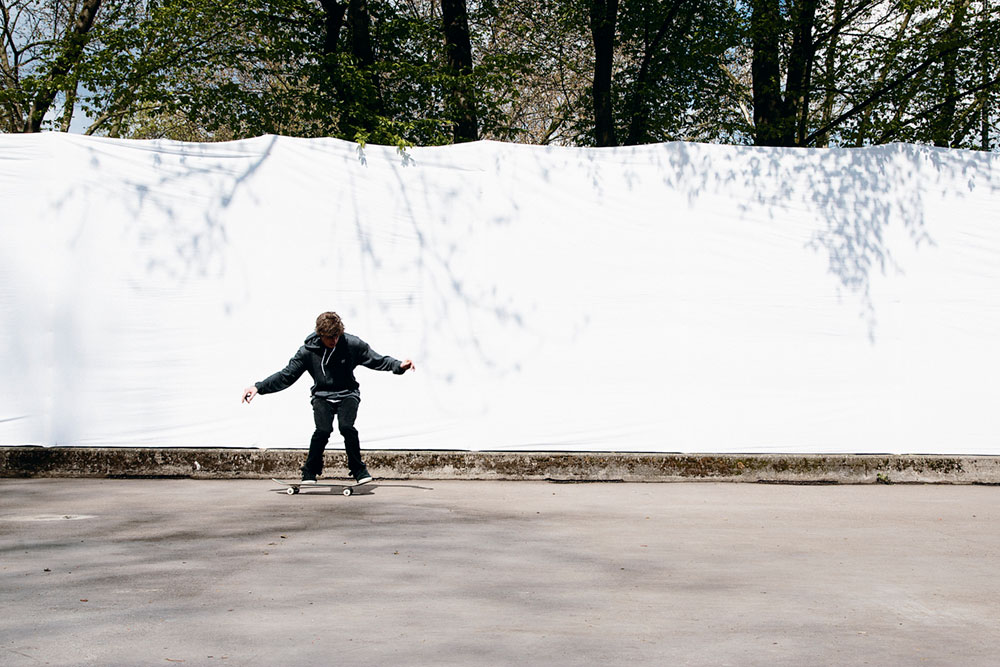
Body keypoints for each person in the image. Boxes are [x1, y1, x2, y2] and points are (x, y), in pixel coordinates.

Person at [242, 311, 415, 484]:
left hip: (348, 393)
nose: (334, 341)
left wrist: (398, 366)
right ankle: (310, 471)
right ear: (320, 334)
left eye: (337, 337)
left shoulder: (352, 344)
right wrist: (258, 387)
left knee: (347, 427)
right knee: (323, 431)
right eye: (329, 338)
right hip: (322, 396)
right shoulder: (306, 352)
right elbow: (286, 376)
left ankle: (358, 470)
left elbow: (376, 359)